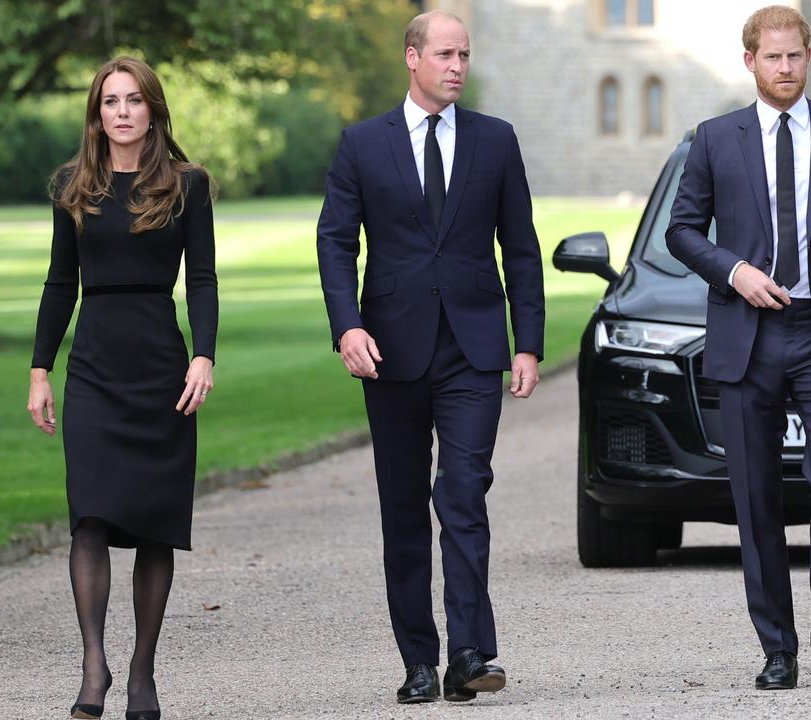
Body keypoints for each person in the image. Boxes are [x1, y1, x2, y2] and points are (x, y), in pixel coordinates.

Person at [316, 10, 544, 705]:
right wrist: (346, 327)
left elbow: (522, 248)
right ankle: (419, 658)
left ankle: (470, 651)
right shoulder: (362, 143)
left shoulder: (495, 141)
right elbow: (335, 242)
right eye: (444, 53)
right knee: (404, 509)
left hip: (473, 350)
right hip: (390, 350)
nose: (456, 66)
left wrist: (527, 341)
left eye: (464, 54)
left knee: (465, 493)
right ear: (410, 58)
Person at [666, 5, 811, 690]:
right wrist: (733, 270)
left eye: (794, 56)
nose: (784, 68)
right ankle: (777, 647)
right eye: (772, 57)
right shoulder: (713, 137)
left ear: (808, 57)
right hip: (746, 334)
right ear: (750, 62)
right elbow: (681, 230)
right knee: (754, 496)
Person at [27, 57, 217, 720]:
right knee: (90, 516)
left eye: (134, 100)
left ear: (152, 109)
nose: (123, 111)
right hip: (95, 371)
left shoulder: (188, 186)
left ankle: (142, 674)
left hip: (162, 369)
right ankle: (93, 667)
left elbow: (202, 281)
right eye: (111, 101)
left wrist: (203, 357)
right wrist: (39, 370)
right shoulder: (72, 185)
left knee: (155, 525)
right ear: (97, 113)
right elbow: (58, 284)